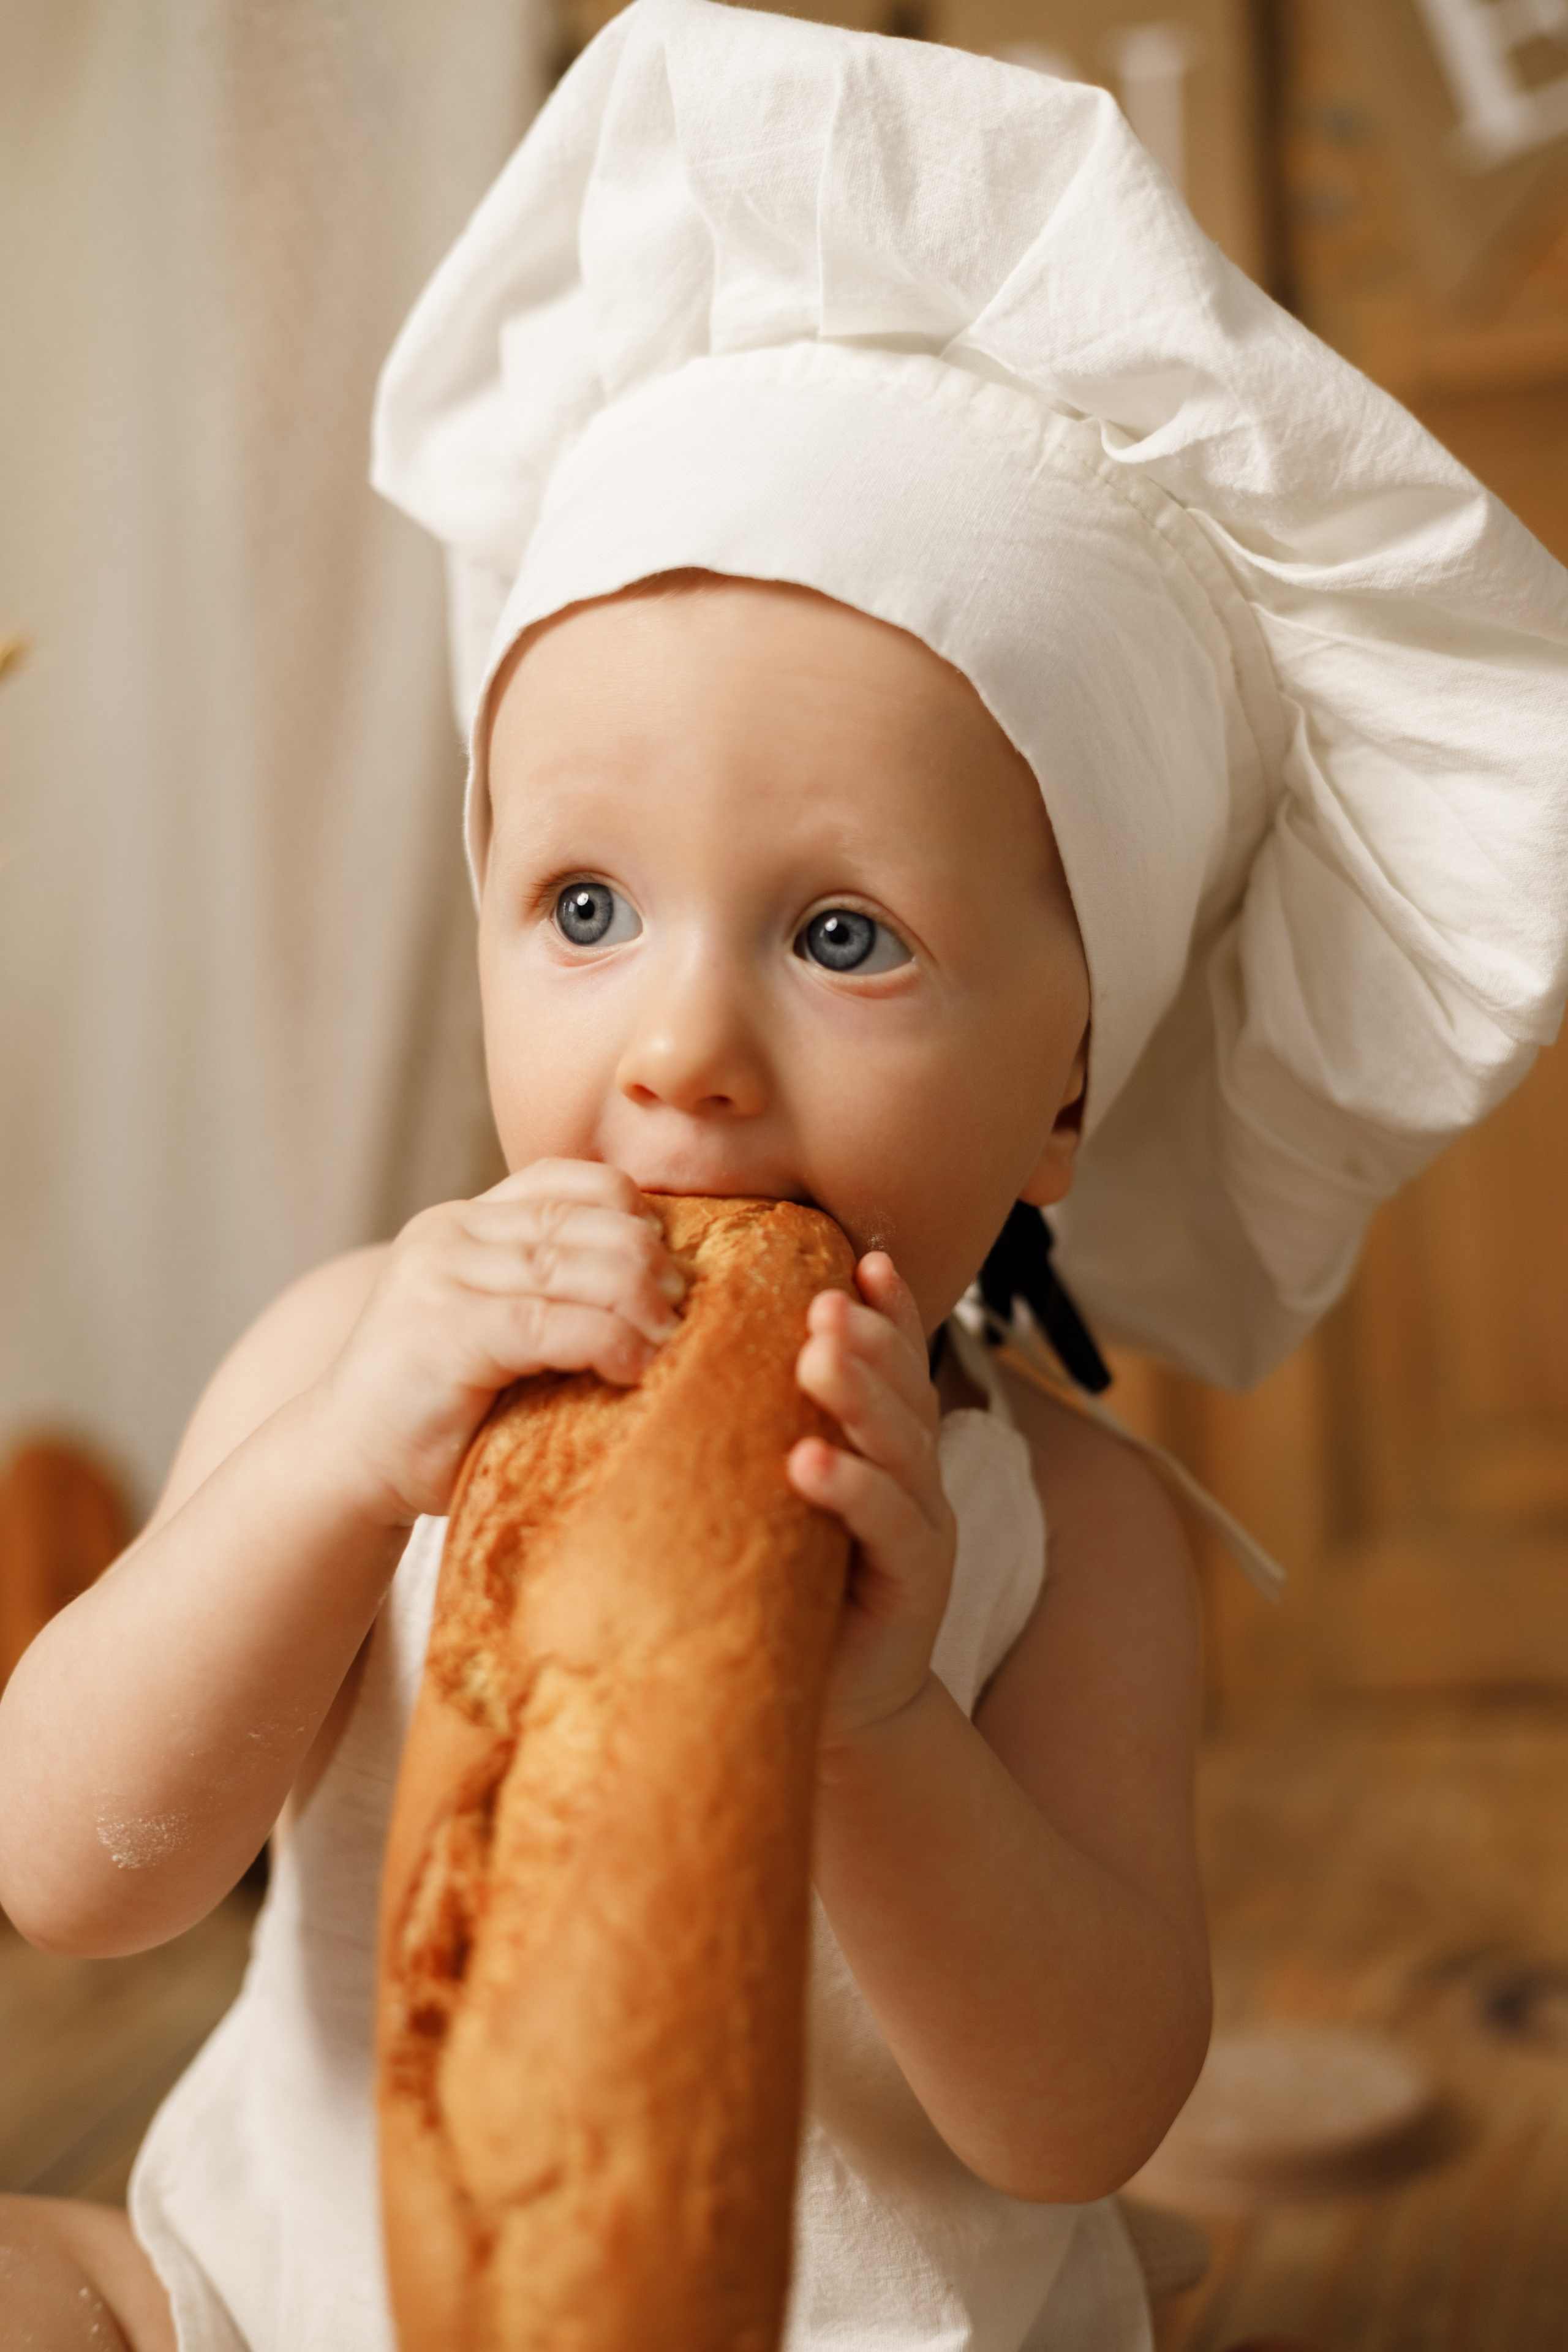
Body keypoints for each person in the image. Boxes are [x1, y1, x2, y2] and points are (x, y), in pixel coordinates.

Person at [1, 3, 1565, 2347]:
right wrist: (338, 1474)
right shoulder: (351, 1351)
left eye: (844, 937)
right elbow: (77, 1873)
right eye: (587, 909)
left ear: (1065, 1093)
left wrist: (888, 1722)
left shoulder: (1075, 1537)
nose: (682, 1053)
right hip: (282, 2295)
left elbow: (1082, 2114)